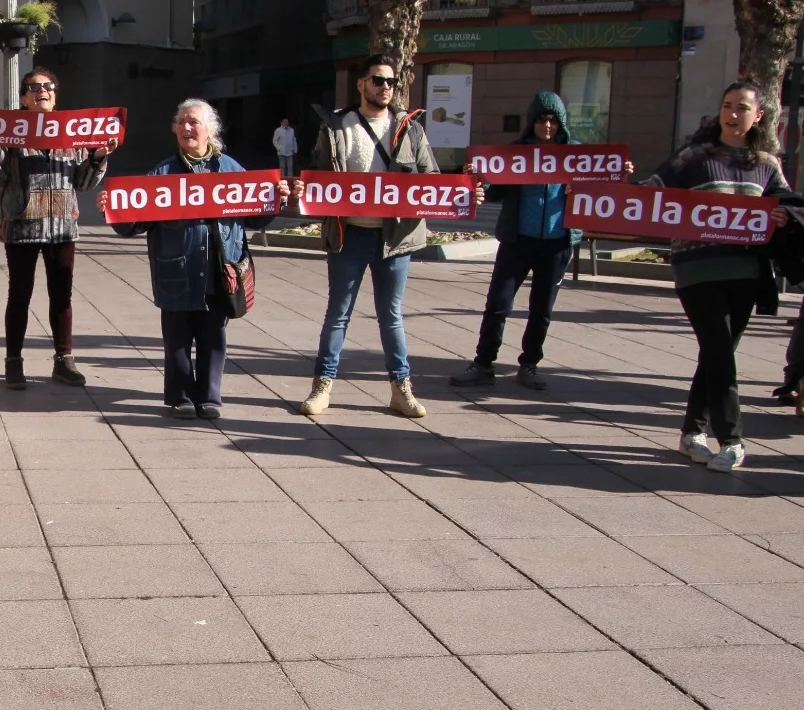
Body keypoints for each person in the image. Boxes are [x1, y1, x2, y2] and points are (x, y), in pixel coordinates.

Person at [295, 55, 481, 419]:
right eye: (378, 80)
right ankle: (322, 387)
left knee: (390, 315)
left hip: (395, 238)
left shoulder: (410, 127)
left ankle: (401, 389)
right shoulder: (336, 126)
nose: (386, 88)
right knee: (338, 314)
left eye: (391, 82)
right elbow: (319, 175)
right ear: (361, 84)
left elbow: (431, 178)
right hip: (349, 236)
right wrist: (305, 186)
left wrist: (463, 191)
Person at [648, 79, 791, 473]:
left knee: (717, 354)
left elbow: (790, 206)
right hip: (697, 270)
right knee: (720, 354)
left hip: (746, 272)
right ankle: (732, 438)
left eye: (742, 108)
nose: (732, 114)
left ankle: (691, 433)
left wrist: (781, 215)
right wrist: (599, 192)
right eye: (727, 106)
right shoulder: (694, 157)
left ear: (758, 116)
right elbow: (648, 195)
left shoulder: (766, 164)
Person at [110, 100, 285, 418]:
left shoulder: (231, 170)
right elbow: (134, 224)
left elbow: (255, 220)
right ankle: (180, 397)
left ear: (210, 130)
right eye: (181, 122)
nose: (186, 128)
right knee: (177, 338)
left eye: (192, 122)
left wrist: (276, 200)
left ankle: (209, 397)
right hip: (176, 270)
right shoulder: (162, 173)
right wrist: (114, 207)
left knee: (213, 336)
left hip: (220, 270)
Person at [451, 91, 616, 392]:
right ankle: (483, 363)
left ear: (561, 122)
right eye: (542, 119)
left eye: (553, 120)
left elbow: (601, 189)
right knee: (498, 303)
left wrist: (618, 174)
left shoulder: (576, 155)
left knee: (542, 308)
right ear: (532, 122)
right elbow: (496, 192)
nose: (548, 126)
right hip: (518, 239)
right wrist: (479, 178)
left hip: (557, 242)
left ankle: (529, 364)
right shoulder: (516, 153)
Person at [0, 66, 115, 389]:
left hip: (62, 226)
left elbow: (82, 183)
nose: (43, 91)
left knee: (62, 296)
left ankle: (63, 360)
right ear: (24, 97)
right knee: (19, 296)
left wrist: (96, 158)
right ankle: (14, 361)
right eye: (35, 87)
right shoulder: (8, 133)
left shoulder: (72, 132)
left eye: (49, 86)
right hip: (22, 226)